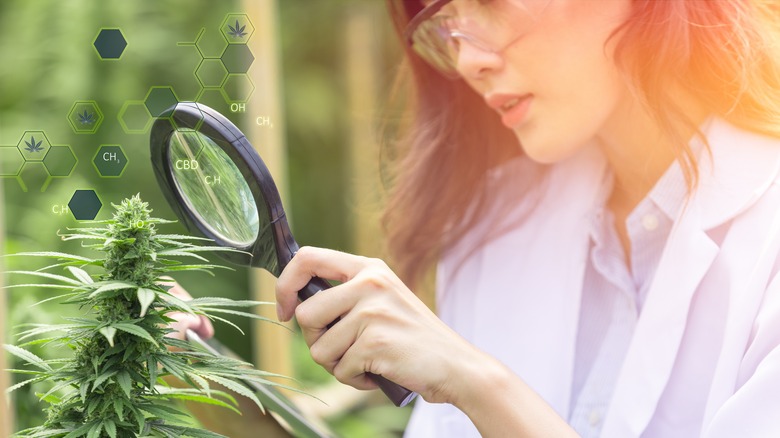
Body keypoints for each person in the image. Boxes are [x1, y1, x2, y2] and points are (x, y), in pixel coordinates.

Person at [181, 0, 780, 436]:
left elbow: (468, 388)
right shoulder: (491, 225)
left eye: (490, 3)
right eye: (443, 22)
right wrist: (205, 382)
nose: (466, 59)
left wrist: (475, 383)